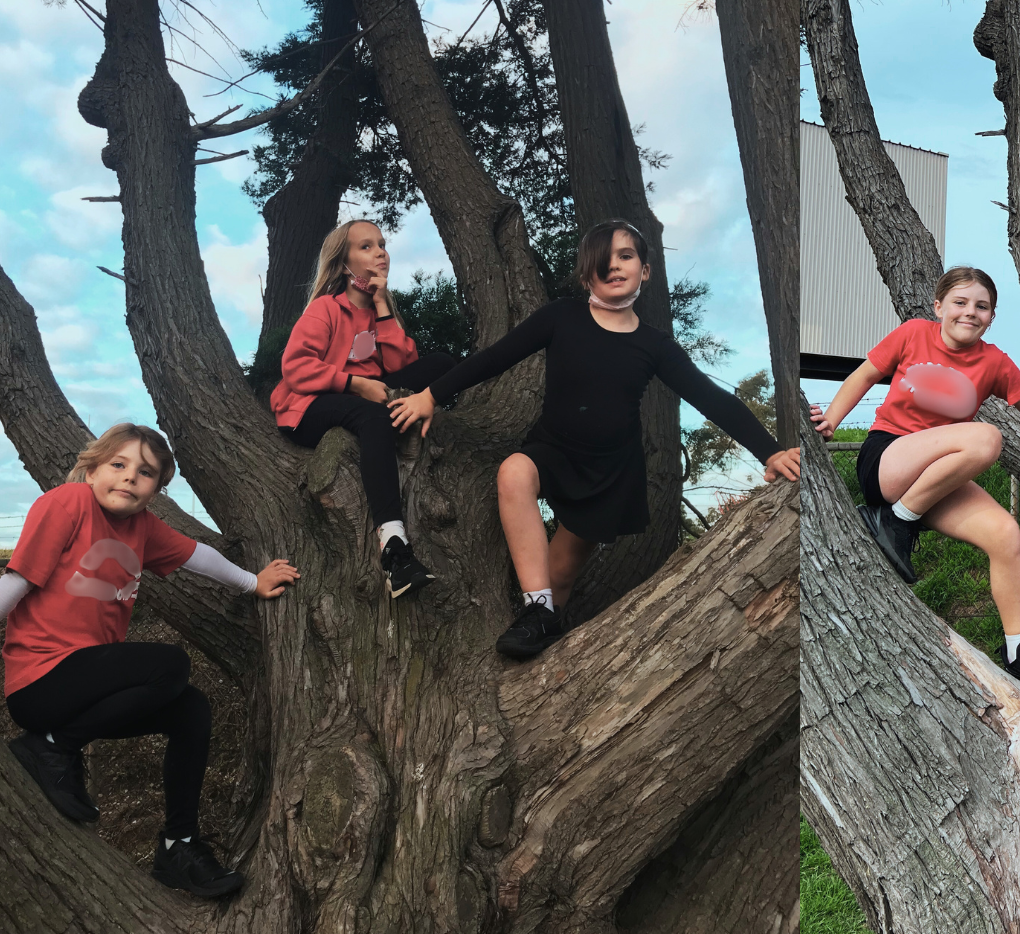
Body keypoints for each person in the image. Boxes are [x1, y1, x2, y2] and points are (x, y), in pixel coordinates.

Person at [388, 219, 802, 661]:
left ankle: (540, 642)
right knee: (513, 473)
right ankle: (538, 612)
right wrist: (431, 395)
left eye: (626, 256)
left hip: (610, 470)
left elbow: (710, 397)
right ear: (587, 274)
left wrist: (771, 450)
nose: (614, 265)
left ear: (645, 269)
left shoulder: (655, 345)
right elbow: (495, 357)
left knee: (560, 572)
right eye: (602, 260)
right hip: (554, 450)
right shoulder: (561, 316)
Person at [1, 424, 298, 897]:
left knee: (192, 709)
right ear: (92, 468)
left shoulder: (141, 527)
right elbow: (17, 583)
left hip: (90, 688)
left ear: (157, 490)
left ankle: (179, 845)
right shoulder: (66, 503)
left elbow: (196, 555)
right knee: (170, 665)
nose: (129, 478)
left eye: (146, 473)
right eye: (118, 465)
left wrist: (250, 582)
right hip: (41, 681)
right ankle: (53, 746)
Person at [809, 267, 1020, 693]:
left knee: (1005, 532)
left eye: (982, 306)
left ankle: (1019, 653)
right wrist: (830, 420)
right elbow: (864, 376)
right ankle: (896, 520)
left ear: (992, 316)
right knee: (986, 438)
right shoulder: (913, 333)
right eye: (960, 302)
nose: (970, 312)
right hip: (889, 459)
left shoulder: (993, 362)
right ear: (939, 306)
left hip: (936, 480)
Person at [271, 219, 458, 598]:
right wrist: (355, 384)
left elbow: (399, 365)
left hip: (364, 400)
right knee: (372, 414)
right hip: (308, 407)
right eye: (366, 247)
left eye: (382, 245)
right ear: (344, 265)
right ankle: (394, 550)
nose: (380, 253)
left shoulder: (376, 313)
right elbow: (295, 366)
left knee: (443, 363)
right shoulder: (326, 308)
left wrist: (382, 304)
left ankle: (407, 416)